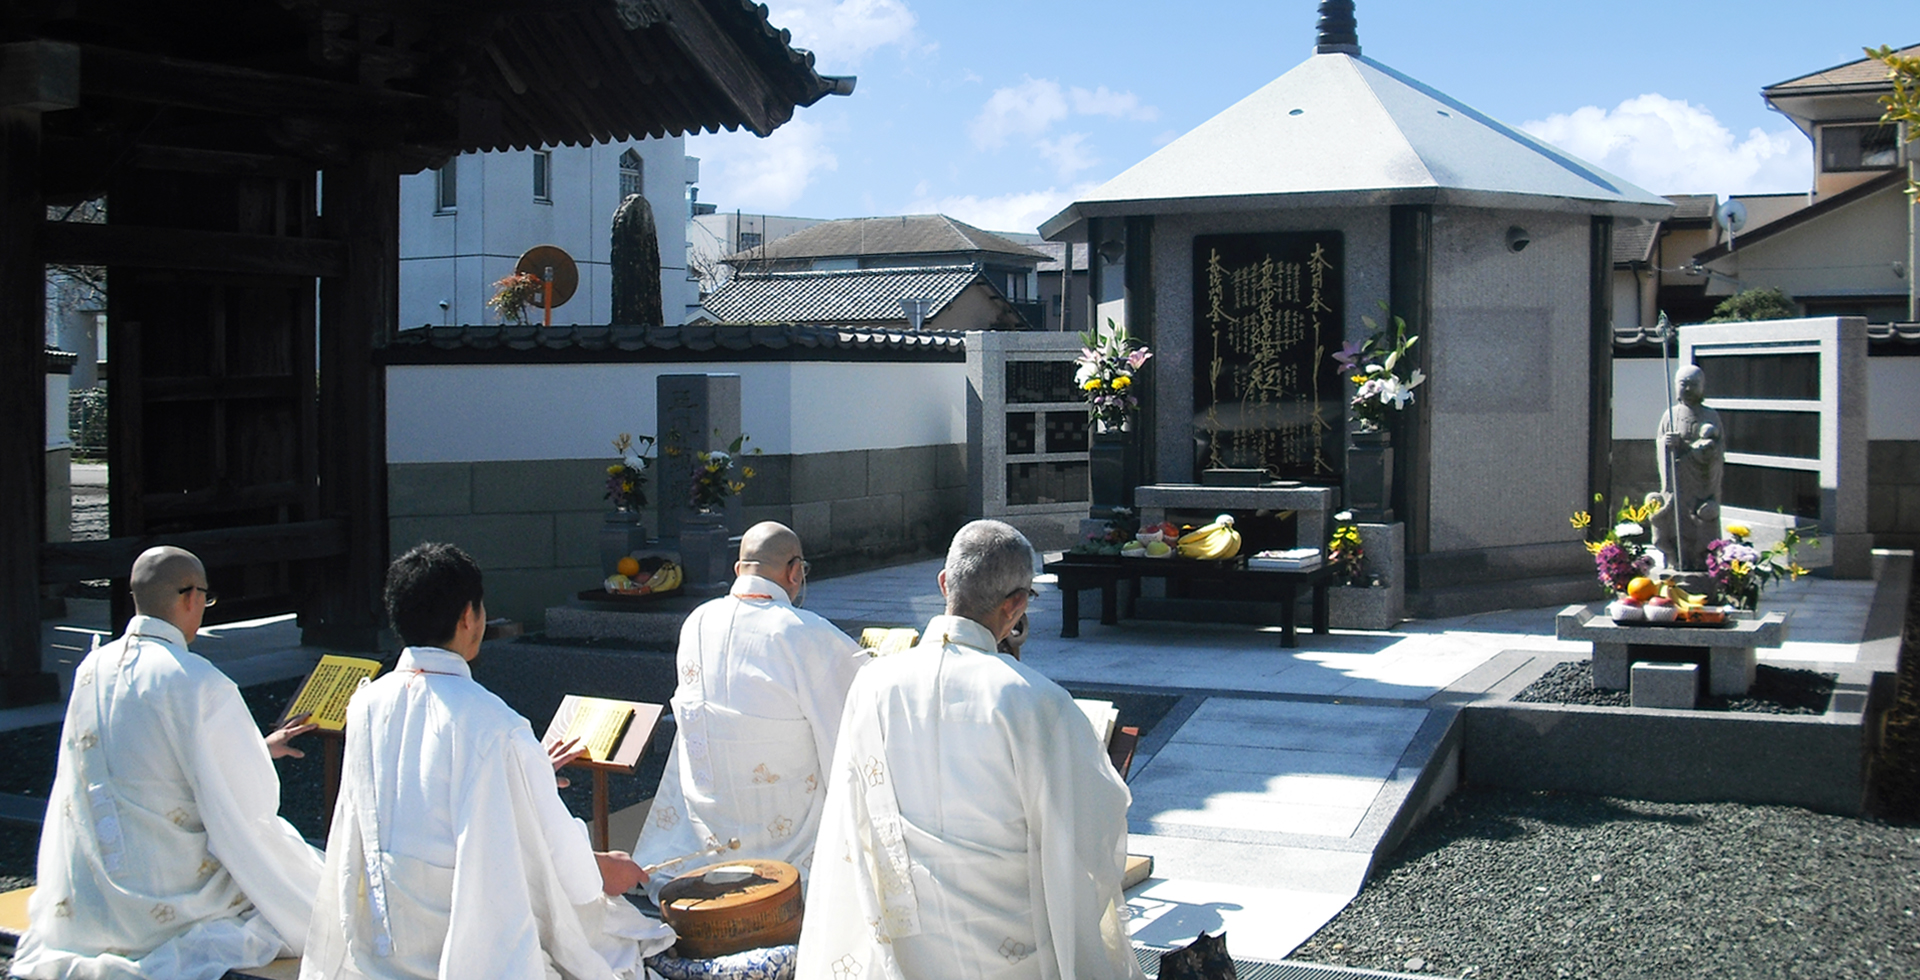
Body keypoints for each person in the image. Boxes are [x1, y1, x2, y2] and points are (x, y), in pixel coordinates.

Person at [301, 543, 672, 980]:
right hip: (466, 934)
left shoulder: (367, 703)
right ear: (467, 617)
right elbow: (563, 862)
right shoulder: (496, 725)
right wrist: (603, 868)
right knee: (611, 936)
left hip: (387, 933)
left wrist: (529, 769)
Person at [796, 520, 1144, 980]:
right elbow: (1094, 820)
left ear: (944, 583)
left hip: (910, 942)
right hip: (1013, 948)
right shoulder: (1036, 701)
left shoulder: (874, 683)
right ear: (1016, 605)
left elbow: (853, 810)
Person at [13, 546, 325, 980]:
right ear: (190, 598)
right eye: (206, 600)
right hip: (169, 889)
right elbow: (250, 801)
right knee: (308, 891)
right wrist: (256, 759)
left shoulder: (91, 667)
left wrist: (259, 746)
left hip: (88, 889)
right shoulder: (197, 681)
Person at [632, 522, 867, 894]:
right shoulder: (802, 632)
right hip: (786, 826)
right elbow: (857, 708)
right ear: (794, 572)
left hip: (707, 819)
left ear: (738, 570)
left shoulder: (697, 621)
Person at [1655, 364, 1724, 571]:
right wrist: (1667, 444)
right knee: (1675, 521)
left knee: (1702, 520)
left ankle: (1703, 560)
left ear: (1702, 387)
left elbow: (1718, 451)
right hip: (1677, 481)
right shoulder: (1670, 414)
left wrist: (1702, 451)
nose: (1687, 388)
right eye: (1683, 384)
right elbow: (1659, 443)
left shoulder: (1711, 415)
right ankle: (1676, 559)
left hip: (1701, 482)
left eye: (1693, 384)